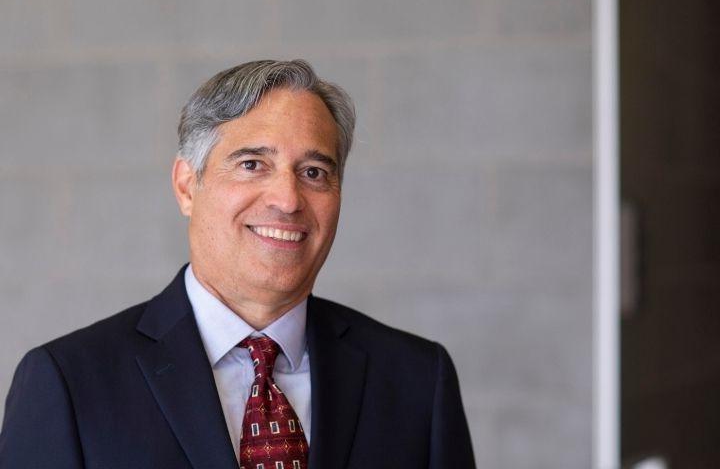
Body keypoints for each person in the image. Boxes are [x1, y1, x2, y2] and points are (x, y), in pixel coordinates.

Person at [0, 59, 475, 468]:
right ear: (188, 186)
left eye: (314, 172)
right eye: (252, 164)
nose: (288, 200)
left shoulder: (417, 380)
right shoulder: (68, 383)